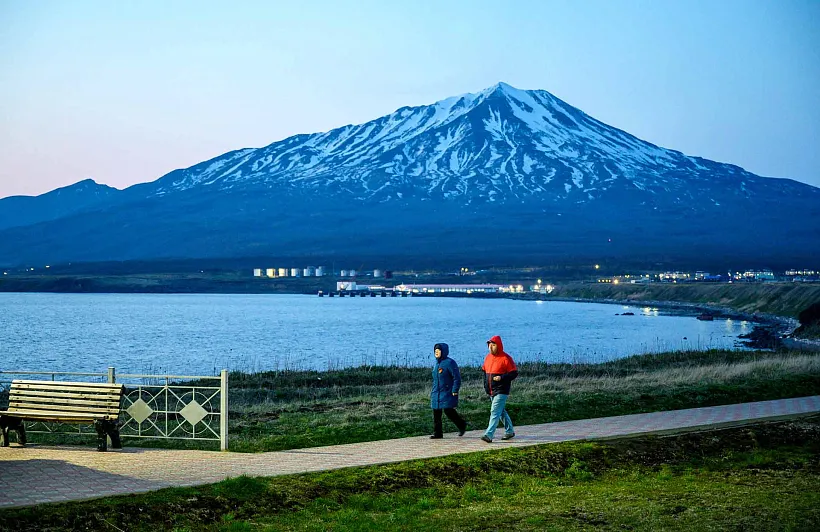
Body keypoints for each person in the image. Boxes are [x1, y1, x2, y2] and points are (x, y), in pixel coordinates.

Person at [480, 335, 518, 443]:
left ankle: (489, 434)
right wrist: (485, 386)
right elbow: (484, 372)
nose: (491, 347)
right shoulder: (487, 358)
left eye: (493, 345)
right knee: (501, 412)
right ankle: (510, 431)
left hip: (502, 390)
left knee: (494, 411)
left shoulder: (506, 358)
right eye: (489, 345)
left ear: (499, 345)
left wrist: (502, 378)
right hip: (491, 390)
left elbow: (514, 373)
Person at [430, 342, 467, 439]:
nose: (436, 353)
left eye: (438, 351)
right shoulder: (436, 364)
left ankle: (461, 425)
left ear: (444, 351)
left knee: (448, 411)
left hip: (447, 392)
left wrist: (455, 390)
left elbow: (456, 378)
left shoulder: (450, 363)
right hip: (436, 392)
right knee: (436, 413)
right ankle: (438, 433)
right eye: (435, 351)